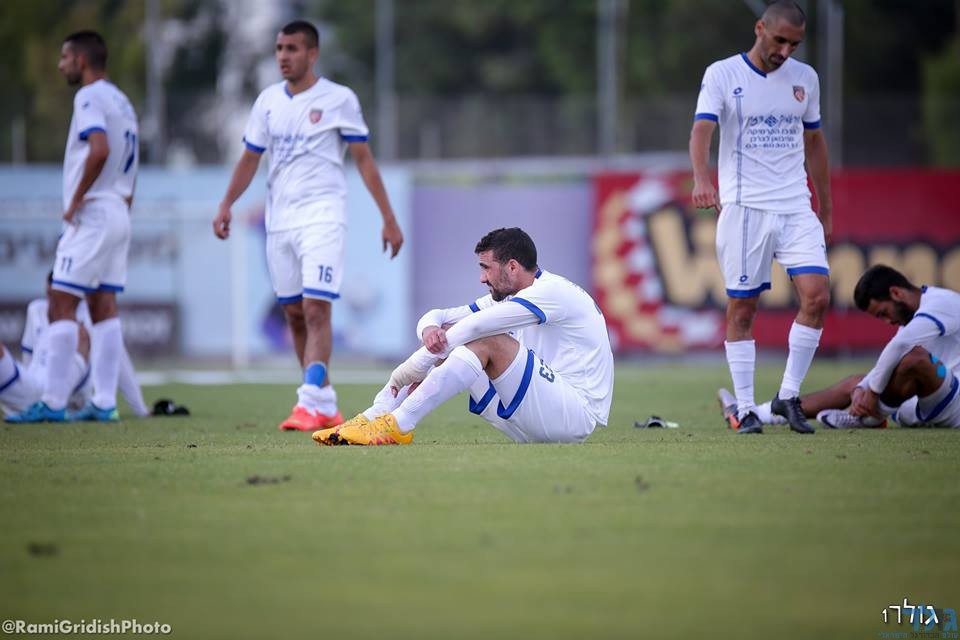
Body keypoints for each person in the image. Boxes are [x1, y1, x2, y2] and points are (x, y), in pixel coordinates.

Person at [212, 20, 403, 433]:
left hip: (323, 217)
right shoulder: (267, 102)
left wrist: (388, 218)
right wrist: (227, 203)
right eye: (279, 48)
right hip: (279, 223)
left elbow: (364, 159)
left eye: (292, 49)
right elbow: (249, 159)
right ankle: (323, 402)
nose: (283, 56)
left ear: (312, 53)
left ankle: (307, 402)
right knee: (294, 315)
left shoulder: (339, 99)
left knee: (317, 308)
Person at [311, 227, 614, 446]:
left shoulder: (552, 292)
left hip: (574, 415)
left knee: (485, 340)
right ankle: (373, 417)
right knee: (453, 342)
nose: (481, 278)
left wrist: (409, 367)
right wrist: (429, 331)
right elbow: (439, 317)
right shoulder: (512, 295)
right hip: (539, 413)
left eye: (486, 268)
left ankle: (398, 425)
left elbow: (475, 328)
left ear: (512, 267)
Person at [690, 0, 832, 435]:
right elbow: (702, 129)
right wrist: (702, 178)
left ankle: (788, 396)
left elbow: (814, 143)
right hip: (745, 207)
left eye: (794, 44)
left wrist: (825, 207)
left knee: (817, 297)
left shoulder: (806, 79)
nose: (785, 51)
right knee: (743, 308)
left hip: (795, 205)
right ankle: (747, 407)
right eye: (779, 40)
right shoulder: (723, 74)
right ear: (760, 29)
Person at [9, 31, 139, 423]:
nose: (61, 64)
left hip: (94, 212)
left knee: (60, 301)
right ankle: (104, 402)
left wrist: (76, 199)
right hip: (118, 209)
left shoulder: (88, 96)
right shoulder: (123, 101)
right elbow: (128, 161)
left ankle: (52, 402)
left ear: (81, 60)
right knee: (104, 305)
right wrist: (121, 203)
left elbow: (99, 149)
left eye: (65, 57)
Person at [717, 265, 960, 429]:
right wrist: (863, 389)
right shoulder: (912, 317)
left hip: (954, 404)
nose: (888, 322)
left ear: (896, 293)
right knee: (857, 382)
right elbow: (894, 357)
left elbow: (901, 346)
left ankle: (867, 418)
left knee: (914, 359)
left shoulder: (943, 303)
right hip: (921, 404)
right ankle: (755, 414)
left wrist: (872, 391)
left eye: (883, 313)